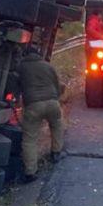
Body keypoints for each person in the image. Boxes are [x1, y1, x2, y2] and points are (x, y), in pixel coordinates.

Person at [17, 46, 65, 181]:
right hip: (52, 102)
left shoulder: (21, 67)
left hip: (33, 105)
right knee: (57, 126)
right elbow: (57, 85)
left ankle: (30, 172)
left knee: (30, 139)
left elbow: (17, 87)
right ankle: (56, 153)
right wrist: (56, 97)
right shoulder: (48, 66)